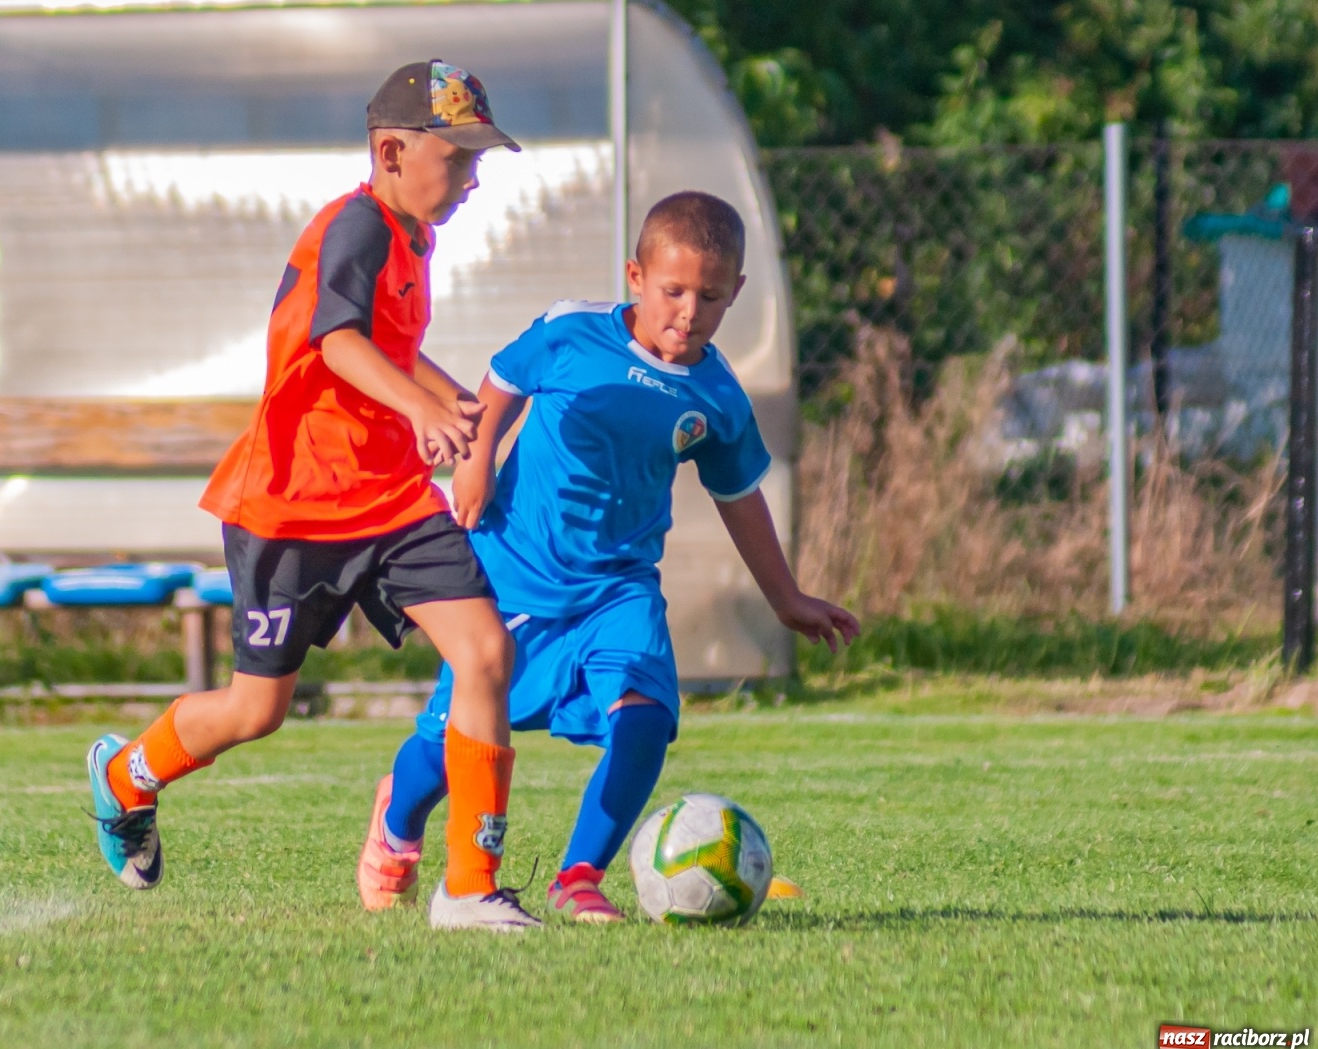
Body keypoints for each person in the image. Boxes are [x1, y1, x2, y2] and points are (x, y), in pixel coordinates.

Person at [87, 60, 543, 932]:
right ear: (393, 150)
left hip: (391, 502)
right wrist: (421, 409)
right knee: (256, 711)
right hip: (293, 505)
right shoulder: (359, 229)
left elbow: (389, 345)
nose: (475, 177)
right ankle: (123, 776)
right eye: (461, 156)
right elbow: (336, 342)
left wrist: (448, 397)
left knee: (485, 653)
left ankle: (471, 887)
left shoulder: (414, 237)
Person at [356, 191, 860, 922]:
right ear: (635, 277)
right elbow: (502, 379)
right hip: (516, 577)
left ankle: (580, 874)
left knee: (647, 715)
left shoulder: (718, 398)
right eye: (673, 291)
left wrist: (786, 597)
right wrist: (477, 460)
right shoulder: (571, 333)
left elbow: (739, 495)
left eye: (711, 297)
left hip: (618, 587)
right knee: (444, 752)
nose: (689, 312)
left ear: (737, 294)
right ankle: (397, 827)